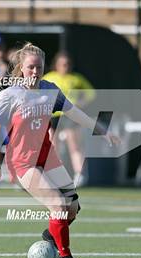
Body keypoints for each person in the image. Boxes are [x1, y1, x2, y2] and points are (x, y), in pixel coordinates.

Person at [0, 43, 119, 258]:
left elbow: (75, 113)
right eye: (31, 67)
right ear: (21, 68)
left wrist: (102, 130)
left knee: (72, 208)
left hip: (47, 157)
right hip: (22, 162)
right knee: (58, 205)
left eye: (39, 67)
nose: (35, 72)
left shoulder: (50, 91)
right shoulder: (9, 95)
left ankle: (51, 234)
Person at [43, 52, 95, 187]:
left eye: (67, 64)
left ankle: (80, 175)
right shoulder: (49, 77)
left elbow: (91, 93)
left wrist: (81, 102)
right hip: (54, 116)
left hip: (70, 114)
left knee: (74, 144)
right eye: (62, 64)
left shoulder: (76, 78)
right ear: (56, 65)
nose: (65, 67)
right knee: (53, 146)